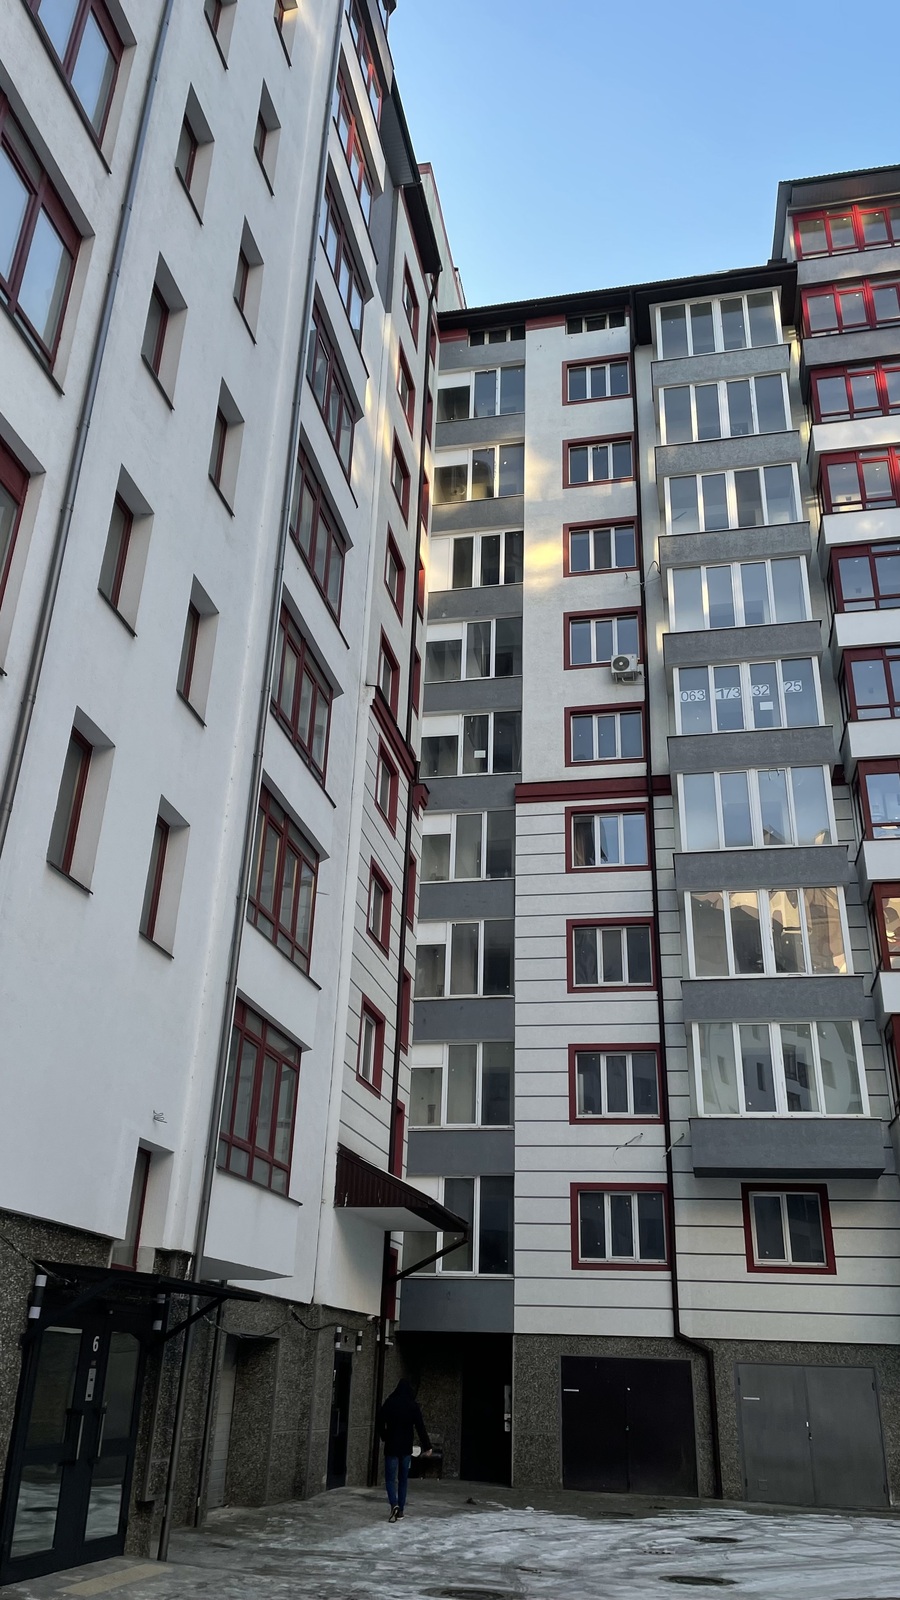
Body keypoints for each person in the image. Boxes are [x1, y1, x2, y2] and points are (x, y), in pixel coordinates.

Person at [376, 1378, 432, 1521]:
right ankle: (400, 1510)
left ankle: (393, 1504)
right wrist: (427, 1446)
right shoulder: (412, 1405)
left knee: (390, 1479)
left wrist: (384, 1436)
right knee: (403, 1480)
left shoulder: (389, 1403)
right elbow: (420, 1426)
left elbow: (379, 1421)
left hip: (391, 1447)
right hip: (406, 1449)